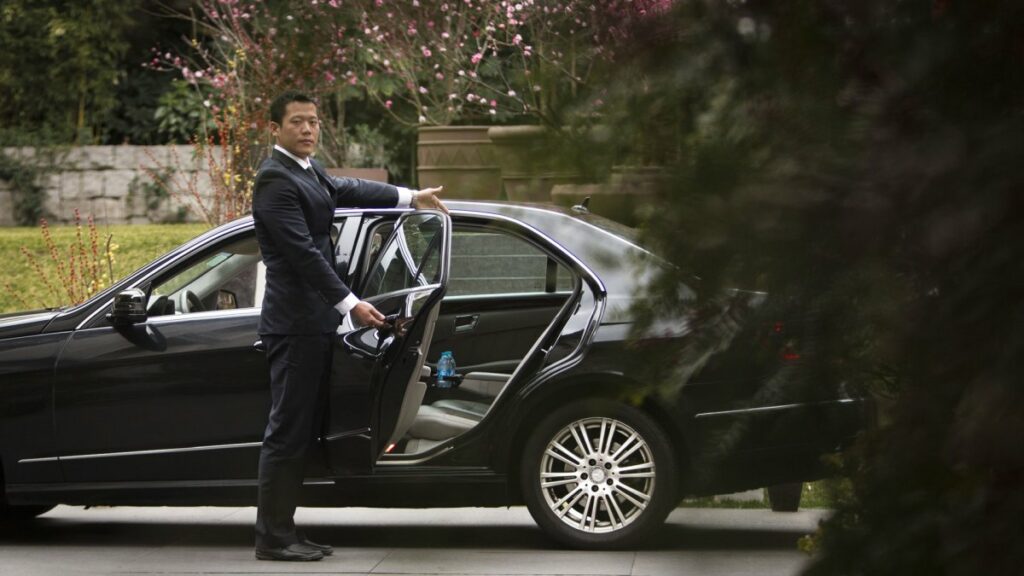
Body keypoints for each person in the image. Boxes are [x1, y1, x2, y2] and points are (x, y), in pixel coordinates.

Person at [251, 90, 446, 562]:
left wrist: (409, 196)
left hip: (313, 325)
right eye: (297, 121)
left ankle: (285, 531)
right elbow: (304, 256)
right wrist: (351, 304)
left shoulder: (308, 170)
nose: (308, 129)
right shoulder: (274, 181)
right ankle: (273, 539)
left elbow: (349, 189)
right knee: (287, 432)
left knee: (300, 432)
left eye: (314, 122)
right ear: (275, 128)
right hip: (294, 325)